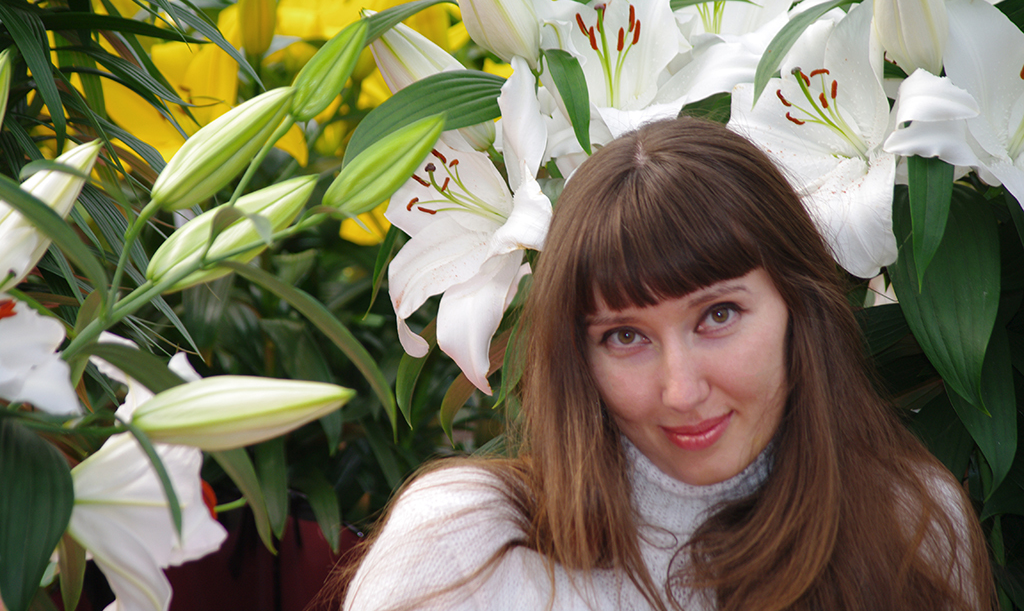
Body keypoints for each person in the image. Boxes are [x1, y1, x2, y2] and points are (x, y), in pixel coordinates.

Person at [335, 116, 995, 611]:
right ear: (576, 356)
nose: (681, 391)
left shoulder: (909, 524)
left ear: (801, 308)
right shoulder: (465, 545)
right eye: (625, 337)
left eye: (718, 316)